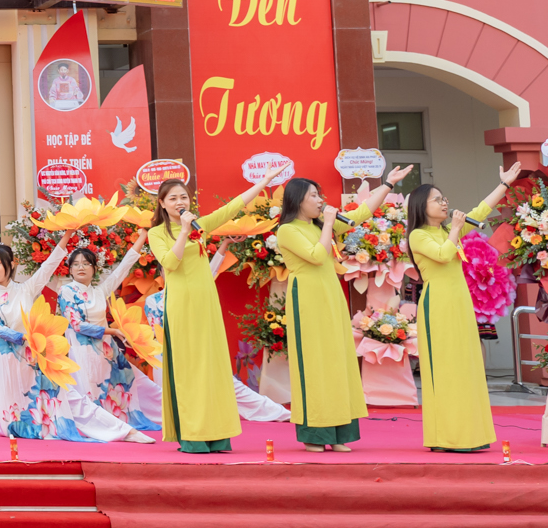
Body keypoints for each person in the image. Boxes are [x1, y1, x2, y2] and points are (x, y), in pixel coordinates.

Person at [147, 168, 284, 452]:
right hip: (182, 305)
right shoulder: (157, 233)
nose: (179, 202)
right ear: (162, 203)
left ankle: (217, 434)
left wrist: (264, 181)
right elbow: (170, 263)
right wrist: (184, 232)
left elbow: (233, 207)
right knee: (190, 368)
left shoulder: (201, 225)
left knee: (212, 367)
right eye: (173, 198)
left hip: (206, 303)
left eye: (183, 197)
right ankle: (194, 435)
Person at [0, 242, 152, 443]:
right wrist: (25, 337)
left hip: (33, 355)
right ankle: (27, 425)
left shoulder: (26, 289)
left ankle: (122, 431)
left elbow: (49, 266)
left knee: (66, 395)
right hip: (5, 359)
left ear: (12, 264)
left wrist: (66, 235)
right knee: (10, 422)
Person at [405, 164, 521, 452]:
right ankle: (445, 437)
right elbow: (444, 255)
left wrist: (504, 185)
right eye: (437, 199)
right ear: (421, 206)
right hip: (438, 305)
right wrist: (456, 228)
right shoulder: (418, 235)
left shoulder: (447, 229)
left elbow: (480, 210)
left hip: (459, 303)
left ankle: (467, 434)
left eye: (444, 198)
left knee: (464, 367)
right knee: (445, 368)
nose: (444, 203)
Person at [274, 175, 388, 451]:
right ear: (297, 200)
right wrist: (327, 224)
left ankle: (338, 434)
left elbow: (362, 213)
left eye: (319, 195)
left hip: (331, 297)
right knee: (315, 363)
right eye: (313, 196)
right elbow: (316, 256)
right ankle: (315, 434)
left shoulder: (320, 225)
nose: (320, 200)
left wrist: (389, 185)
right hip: (307, 299)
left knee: (337, 361)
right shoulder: (287, 230)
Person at [56, 241, 154, 435]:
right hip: (81, 350)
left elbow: (123, 268)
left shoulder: (100, 291)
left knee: (117, 386)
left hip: (105, 352)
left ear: (94, 268)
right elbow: (77, 325)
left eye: (86, 263)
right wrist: (113, 332)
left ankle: (116, 421)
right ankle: (97, 425)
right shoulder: (66, 291)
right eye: (76, 264)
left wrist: (143, 237)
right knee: (88, 390)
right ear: (70, 270)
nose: (81, 267)